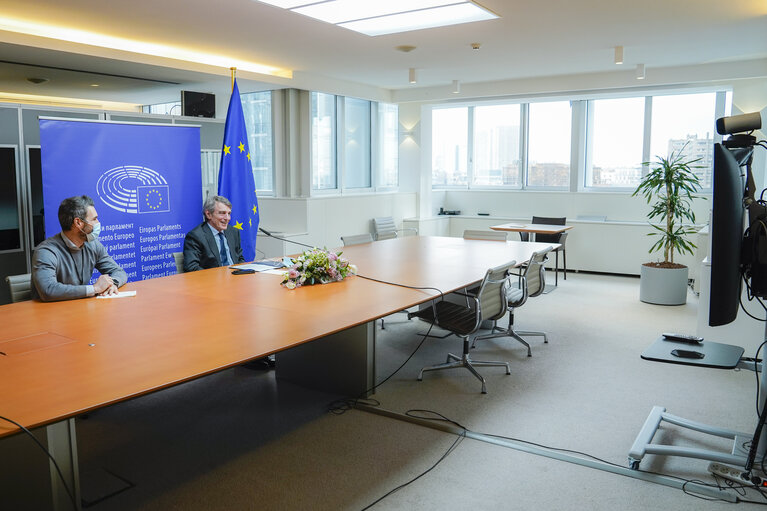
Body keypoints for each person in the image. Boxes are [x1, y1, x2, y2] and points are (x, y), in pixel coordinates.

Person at [32, 195, 127, 302]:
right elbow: (48, 290)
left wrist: (112, 284)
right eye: (94, 219)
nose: (98, 223)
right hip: (50, 314)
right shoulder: (46, 251)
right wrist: (95, 289)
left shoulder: (93, 245)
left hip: (80, 309)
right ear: (78, 223)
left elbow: (119, 271)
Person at [183, 195, 245, 272]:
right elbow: (191, 267)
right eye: (222, 213)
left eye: (229, 213)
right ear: (208, 214)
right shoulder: (196, 236)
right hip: (212, 281)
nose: (227, 218)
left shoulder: (233, 232)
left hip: (236, 278)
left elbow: (239, 258)